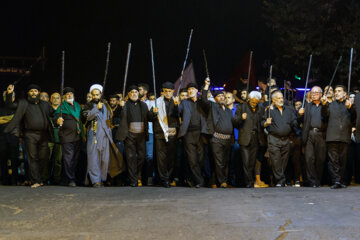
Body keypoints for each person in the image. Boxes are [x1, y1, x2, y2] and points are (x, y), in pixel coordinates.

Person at [5, 84, 54, 188]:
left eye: (35, 91)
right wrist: (9, 94)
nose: (33, 93)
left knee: (44, 157)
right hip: (30, 134)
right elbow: (10, 105)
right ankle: (35, 181)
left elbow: (53, 114)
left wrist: (58, 120)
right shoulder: (23, 103)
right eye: (31, 91)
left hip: (44, 134)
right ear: (28, 93)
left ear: (39, 93)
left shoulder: (45, 104)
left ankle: (39, 178)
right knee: (32, 158)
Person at [82, 84, 124, 187]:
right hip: (94, 134)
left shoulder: (106, 105)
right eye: (94, 95)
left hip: (106, 135)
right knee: (93, 158)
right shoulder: (88, 105)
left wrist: (121, 107)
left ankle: (102, 179)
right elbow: (85, 118)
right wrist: (96, 109)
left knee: (105, 159)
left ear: (101, 94)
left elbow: (113, 118)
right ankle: (95, 180)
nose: (95, 96)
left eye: (97, 94)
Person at [200, 78, 236, 188]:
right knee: (219, 161)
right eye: (219, 96)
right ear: (215, 99)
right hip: (216, 139)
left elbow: (232, 125)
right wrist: (206, 85)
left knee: (224, 161)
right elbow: (204, 100)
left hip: (227, 139)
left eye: (223, 96)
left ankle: (215, 181)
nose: (222, 97)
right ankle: (222, 181)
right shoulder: (213, 106)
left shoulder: (229, 111)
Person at [116, 85, 150, 187]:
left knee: (141, 157)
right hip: (129, 134)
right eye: (131, 92)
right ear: (128, 94)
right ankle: (133, 180)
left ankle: (136, 175)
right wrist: (119, 107)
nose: (134, 94)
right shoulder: (124, 105)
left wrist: (154, 113)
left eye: (136, 92)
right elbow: (116, 116)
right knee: (130, 157)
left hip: (141, 134)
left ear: (138, 94)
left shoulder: (143, 105)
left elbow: (149, 117)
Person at [262, 91, 297, 187]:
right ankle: (280, 181)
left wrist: (295, 122)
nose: (281, 100)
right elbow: (262, 123)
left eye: (282, 98)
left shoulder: (289, 110)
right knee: (276, 160)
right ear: (273, 100)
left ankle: (278, 179)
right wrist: (266, 123)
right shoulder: (270, 110)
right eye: (278, 98)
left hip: (285, 139)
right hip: (274, 138)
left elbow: (294, 121)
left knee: (284, 160)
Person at [321, 85, 353, 189]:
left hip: (344, 136)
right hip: (332, 136)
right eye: (335, 91)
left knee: (343, 160)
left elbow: (355, 116)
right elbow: (324, 115)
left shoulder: (349, 105)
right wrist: (324, 105)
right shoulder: (330, 105)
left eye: (339, 91)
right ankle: (336, 181)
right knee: (333, 160)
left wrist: (350, 107)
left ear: (345, 94)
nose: (336, 93)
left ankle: (342, 180)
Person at [178, 82, 208, 188]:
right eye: (189, 89)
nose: (190, 91)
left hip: (201, 133)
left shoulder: (202, 102)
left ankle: (194, 178)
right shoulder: (184, 102)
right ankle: (199, 181)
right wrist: (176, 104)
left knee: (200, 158)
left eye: (192, 89)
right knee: (192, 159)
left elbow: (205, 99)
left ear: (197, 91)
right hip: (188, 134)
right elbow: (177, 111)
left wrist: (205, 86)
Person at [150, 82, 180, 188]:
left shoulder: (177, 101)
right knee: (161, 157)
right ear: (163, 91)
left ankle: (169, 176)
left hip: (172, 133)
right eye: (165, 91)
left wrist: (177, 106)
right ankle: (164, 179)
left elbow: (180, 115)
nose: (167, 93)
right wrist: (153, 113)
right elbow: (150, 118)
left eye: (170, 91)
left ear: (173, 91)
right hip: (160, 133)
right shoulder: (156, 102)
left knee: (171, 157)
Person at [236, 91, 266, 188]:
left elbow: (262, 121)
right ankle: (248, 182)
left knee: (252, 162)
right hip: (245, 137)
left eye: (256, 102)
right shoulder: (241, 107)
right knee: (246, 161)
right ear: (249, 99)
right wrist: (241, 118)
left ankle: (250, 180)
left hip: (256, 138)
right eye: (253, 102)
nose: (254, 104)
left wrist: (265, 123)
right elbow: (235, 122)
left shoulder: (260, 108)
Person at [298, 86, 326, 187]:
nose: (314, 95)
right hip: (309, 134)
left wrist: (325, 104)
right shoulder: (307, 106)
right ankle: (312, 181)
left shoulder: (325, 106)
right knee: (309, 158)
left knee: (320, 159)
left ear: (321, 94)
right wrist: (300, 114)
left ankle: (318, 180)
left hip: (321, 134)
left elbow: (327, 116)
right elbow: (298, 121)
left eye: (316, 93)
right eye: (312, 93)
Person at [55, 87, 84, 187]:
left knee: (75, 159)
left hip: (77, 135)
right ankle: (71, 179)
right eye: (67, 94)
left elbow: (82, 119)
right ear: (64, 96)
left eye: (71, 93)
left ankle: (66, 178)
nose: (69, 95)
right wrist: (57, 121)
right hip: (66, 136)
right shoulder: (62, 107)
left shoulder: (78, 106)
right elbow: (56, 118)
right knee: (68, 158)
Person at [0, 84, 19, 185]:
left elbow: (17, 121)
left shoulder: (17, 108)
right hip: (2, 138)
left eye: (11, 96)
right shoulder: (1, 109)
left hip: (13, 137)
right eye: (6, 96)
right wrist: (10, 119)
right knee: (3, 160)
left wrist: (4, 120)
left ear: (14, 97)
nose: (8, 98)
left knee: (14, 160)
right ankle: (4, 180)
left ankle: (14, 181)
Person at [48, 92, 62, 184]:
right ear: (50, 99)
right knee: (47, 160)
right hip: (49, 138)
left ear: (60, 100)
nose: (56, 99)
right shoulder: (47, 110)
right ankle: (45, 178)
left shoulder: (63, 110)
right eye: (54, 98)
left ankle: (56, 179)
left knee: (58, 161)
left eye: (57, 98)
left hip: (60, 139)